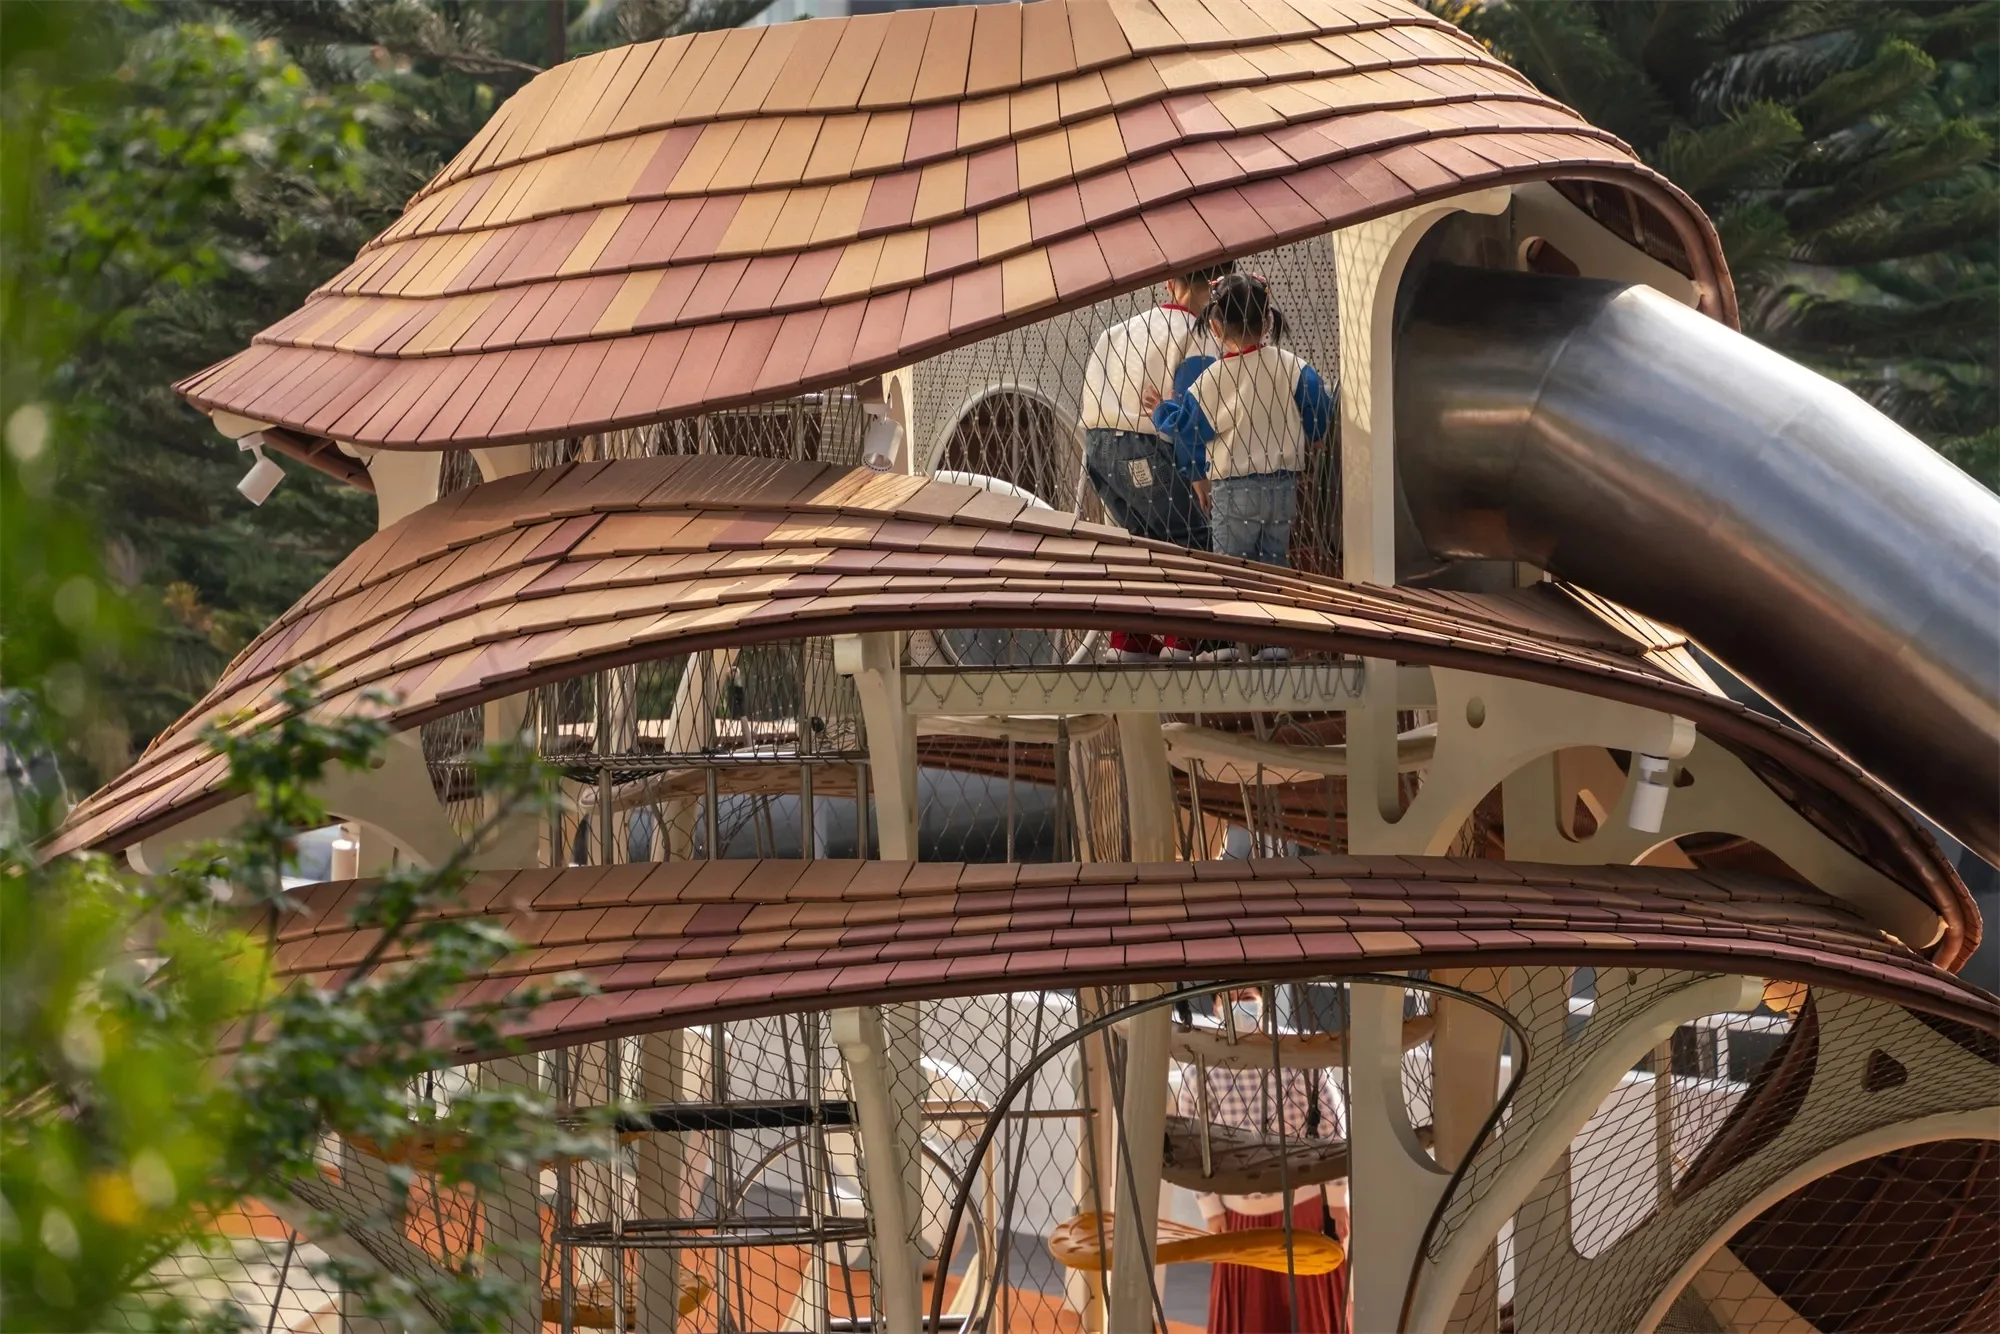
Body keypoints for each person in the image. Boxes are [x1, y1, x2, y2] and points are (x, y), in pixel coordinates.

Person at [1149, 274, 1335, 661]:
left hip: (1234, 492)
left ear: (1215, 327)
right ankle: (1276, 645)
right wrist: (1312, 437)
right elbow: (1317, 410)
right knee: (1273, 568)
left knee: (1232, 575)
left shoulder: (1211, 380)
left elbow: (1187, 431)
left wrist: (1159, 411)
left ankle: (1239, 646)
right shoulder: (1293, 367)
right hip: (1283, 489)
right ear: (1268, 321)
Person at [1170, 989, 1350, 1334]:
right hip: (1243, 1216)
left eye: (1246, 995)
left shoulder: (1296, 1055)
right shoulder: (1202, 1069)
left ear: (1264, 1001)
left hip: (1304, 1208)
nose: (1239, 1005)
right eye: (1231, 998)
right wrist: (1211, 1210)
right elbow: (1192, 1145)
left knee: (1312, 1316)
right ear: (1216, 1006)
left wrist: (1337, 1200)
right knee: (1254, 1319)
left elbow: (1333, 1128)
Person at [1081, 262, 1235, 661]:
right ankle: (1189, 639)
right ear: (1216, 289)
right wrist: (1199, 476)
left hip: (1099, 448)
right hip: (1150, 446)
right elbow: (1192, 415)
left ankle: (1132, 639)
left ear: (1169, 282)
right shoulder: (1199, 334)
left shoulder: (1119, 330)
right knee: (1193, 536)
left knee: (1139, 541)